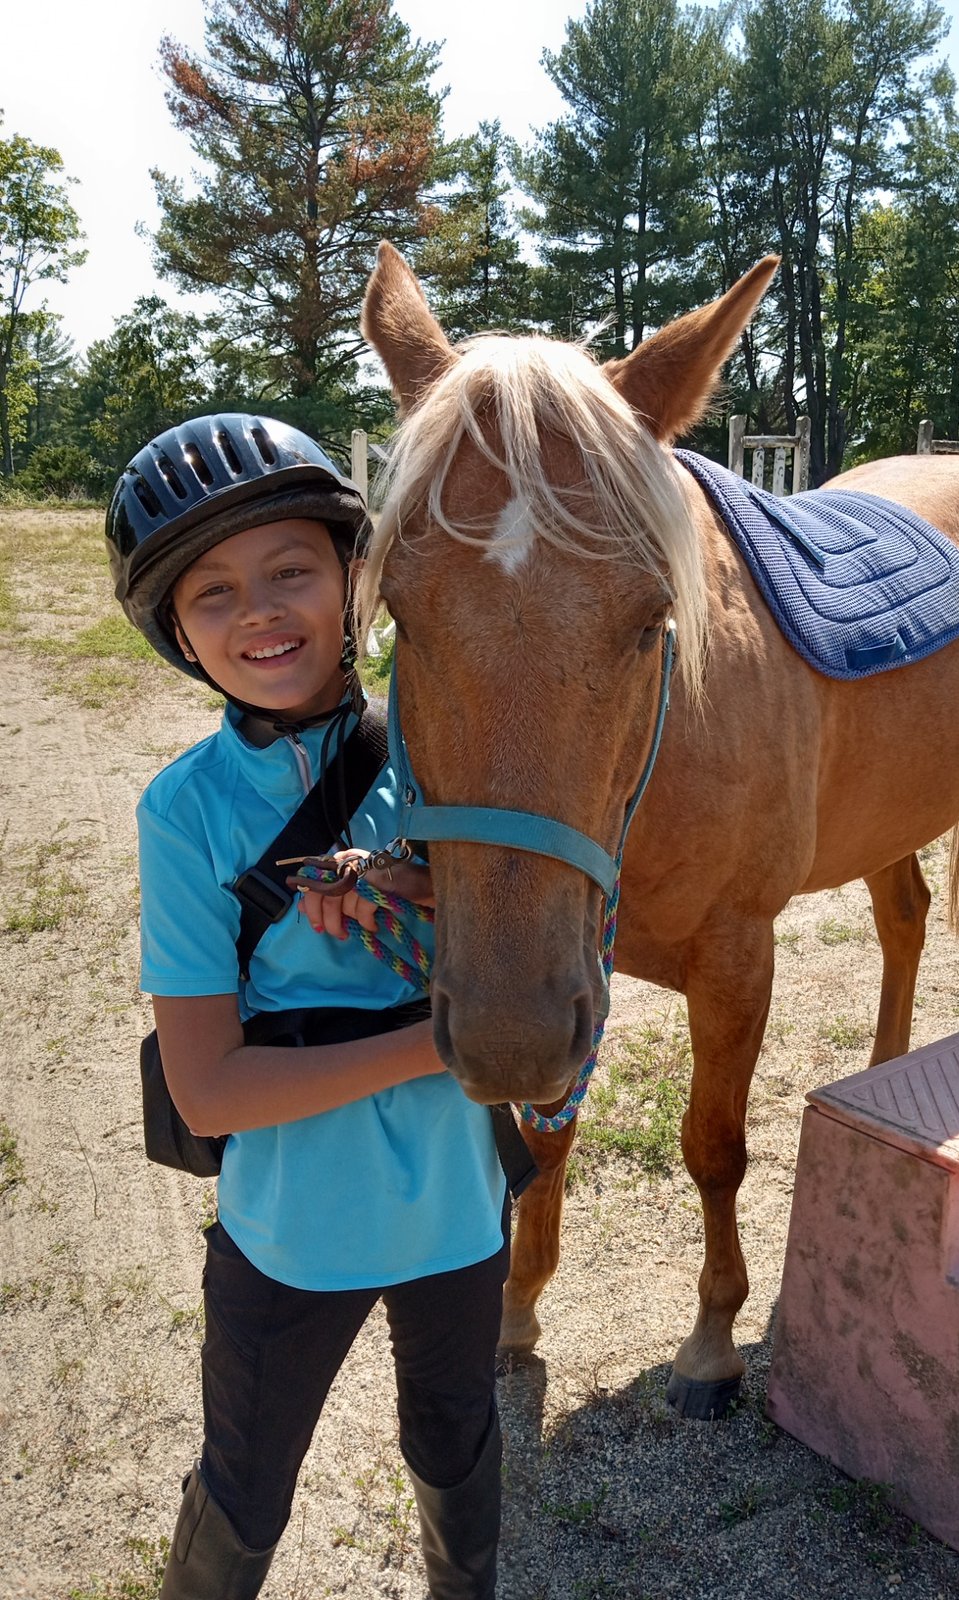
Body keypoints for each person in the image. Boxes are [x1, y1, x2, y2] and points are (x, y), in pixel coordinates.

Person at [106, 413, 508, 1600]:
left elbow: (535, 908)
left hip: (457, 1211)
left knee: (458, 1440)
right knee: (246, 1480)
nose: (261, 611)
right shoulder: (185, 814)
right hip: (288, 1235)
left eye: (290, 569)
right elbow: (209, 1084)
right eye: (214, 592)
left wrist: (411, 878)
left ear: (351, 578)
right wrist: (435, 1042)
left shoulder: (438, 749)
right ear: (179, 631)